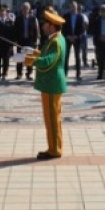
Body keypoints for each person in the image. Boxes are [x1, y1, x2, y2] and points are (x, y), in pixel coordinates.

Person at [26, 10, 67, 160]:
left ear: (52, 26)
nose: (43, 26)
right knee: (52, 117)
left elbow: (49, 62)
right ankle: (54, 147)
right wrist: (36, 53)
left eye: (46, 24)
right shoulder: (55, 38)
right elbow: (47, 55)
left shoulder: (55, 41)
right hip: (51, 83)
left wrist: (31, 60)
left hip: (51, 83)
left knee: (52, 118)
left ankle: (55, 150)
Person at [14, 2, 40, 80]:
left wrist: (36, 41)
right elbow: (15, 30)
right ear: (21, 9)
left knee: (29, 58)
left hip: (30, 41)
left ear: (29, 9)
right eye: (23, 8)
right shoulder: (18, 19)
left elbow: (36, 30)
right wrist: (15, 40)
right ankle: (19, 74)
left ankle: (28, 74)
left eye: (26, 8)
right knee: (20, 58)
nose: (25, 10)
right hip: (20, 41)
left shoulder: (33, 18)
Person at [62, 1, 86, 81]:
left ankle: (78, 74)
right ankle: (64, 74)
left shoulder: (80, 17)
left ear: (77, 7)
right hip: (68, 39)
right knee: (66, 57)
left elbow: (82, 29)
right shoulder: (66, 16)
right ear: (69, 7)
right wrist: (68, 36)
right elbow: (63, 28)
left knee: (77, 57)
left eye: (74, 6)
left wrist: (76, 36)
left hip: (77, 39)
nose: (72, 8)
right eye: (71, 6)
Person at [0, 4, 16, 80]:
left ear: (6, 12)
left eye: (3, 11)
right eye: (0, 11)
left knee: (6, 59)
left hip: (7, 44)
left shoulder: (10, 22)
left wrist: (11, 44)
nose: (2, 12)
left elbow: (12, 33)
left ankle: (4, 73)